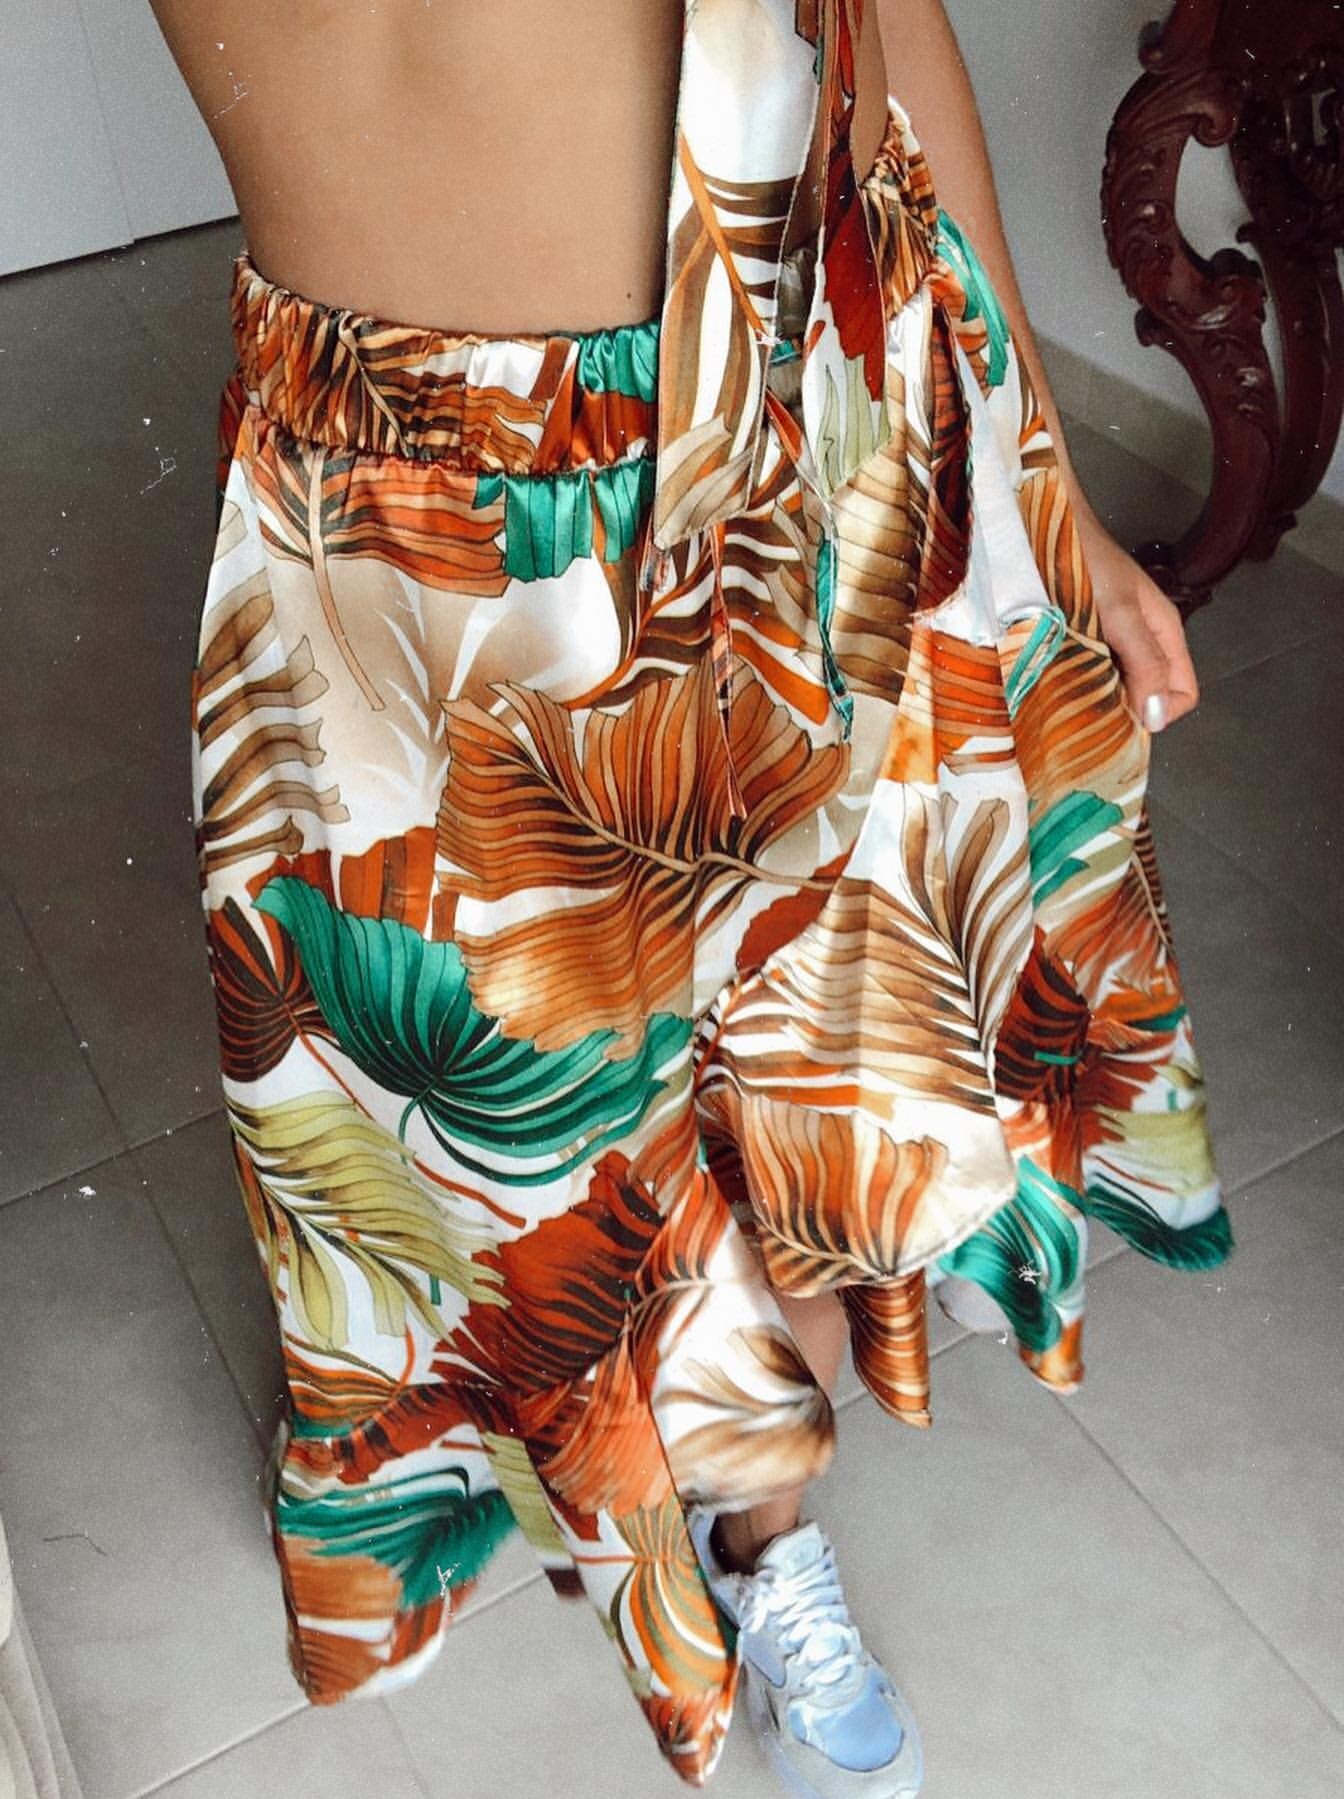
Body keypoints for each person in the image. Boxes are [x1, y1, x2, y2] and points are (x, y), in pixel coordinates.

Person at [154, 3, 1232, 1793]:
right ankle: (552, 1479)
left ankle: (765, 1539)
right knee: (493, 1188)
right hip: (394, 530)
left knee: (796, 1131)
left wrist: (1056, 490)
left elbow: (883, 33)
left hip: (786, 467)